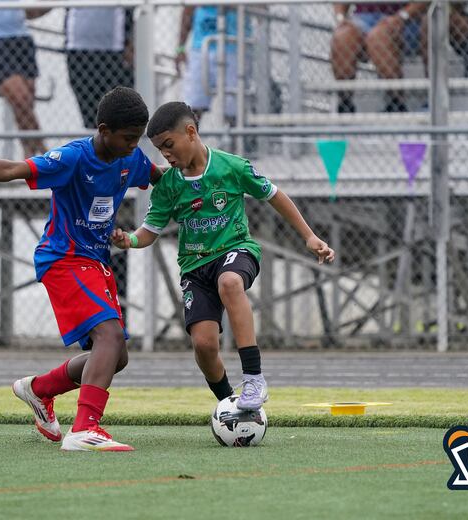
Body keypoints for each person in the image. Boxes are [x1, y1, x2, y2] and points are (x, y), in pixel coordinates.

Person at [0, 87, 162, 452]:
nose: (135, 146)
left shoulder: (130, 159)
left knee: (116, 356)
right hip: (64, 259)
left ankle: (39, 389)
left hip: (94, 261)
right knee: (111, 338)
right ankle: (85, 429)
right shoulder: (73, 157)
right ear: (103, 129)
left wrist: (205, 172)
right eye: (128, 138)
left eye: (138, 139)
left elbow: (162, 178)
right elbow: (11, 169)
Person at [111, 102, 335, 410]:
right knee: (204, 346)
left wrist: (309, 236)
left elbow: (274, 195)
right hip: (194, 267)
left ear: (190, 132)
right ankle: (229, 403)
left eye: (169, 145)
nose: (166, 155)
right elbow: (150, 231)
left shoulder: (232, 166)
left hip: (236, 250)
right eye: (161, 150)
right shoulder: (169, 185)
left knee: (230, 282)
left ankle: (254, 378)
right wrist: (129, 240)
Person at [0, 0, 49, 156]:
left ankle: (30, 160)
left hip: (20, 34)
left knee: (25, 105)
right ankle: (49, 156)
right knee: (21, 99)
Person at [331, 3, 427, 113]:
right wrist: (341, 19)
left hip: (404, 19)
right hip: (363, 18)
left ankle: (396, 103)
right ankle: (345, 105)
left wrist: (402, 16)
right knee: (343, 36)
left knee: (378, 37)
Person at [175, 6, 247, 124]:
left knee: (234, 108)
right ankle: (189, 140)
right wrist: (180, 48)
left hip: (234, 48)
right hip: (201, 49)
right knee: (194, 105)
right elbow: (188, 10)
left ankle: (236, 140)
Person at [65, 7, 134, 129]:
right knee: (91, 118)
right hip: (79, 52)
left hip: (115, 53)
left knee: (120, 117)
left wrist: (130, 40)